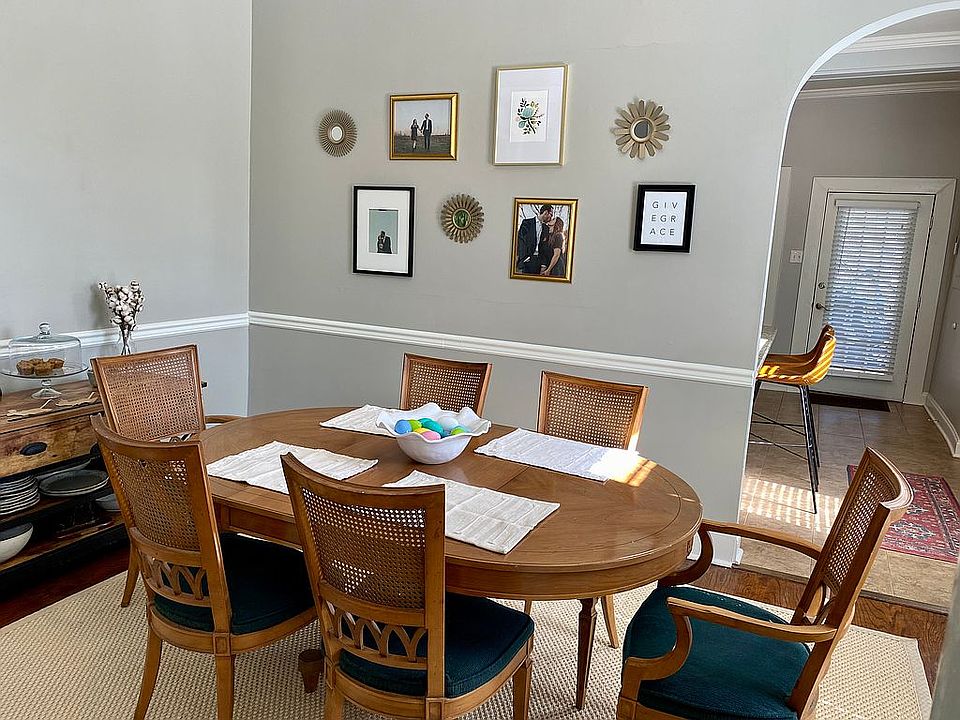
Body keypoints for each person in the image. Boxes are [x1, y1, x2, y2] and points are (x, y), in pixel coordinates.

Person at [515, 204, 553, 275]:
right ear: (545, 212)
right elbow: (520, 241)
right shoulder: (526, 223)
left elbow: (544, 247)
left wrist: (543, 264)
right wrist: (524, 258)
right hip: (526, 261)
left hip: (538, 261)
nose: (551, 217)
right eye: (551, 214)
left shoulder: (546, 228)